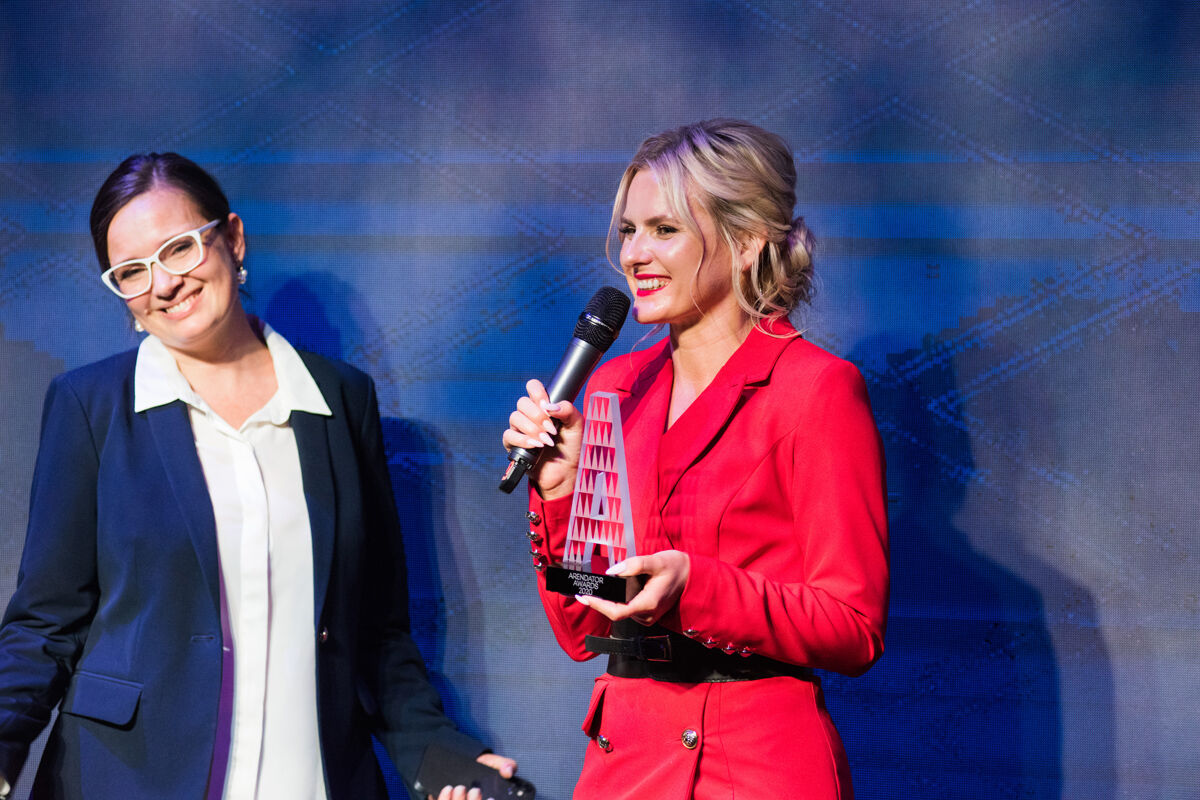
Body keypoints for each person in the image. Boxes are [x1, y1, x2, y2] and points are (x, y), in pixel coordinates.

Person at [0, 153, 515, 800]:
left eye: (179, 249)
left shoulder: (340, 399)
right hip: (124, 778)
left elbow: (376, 633)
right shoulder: (90, 406)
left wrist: (438, 758)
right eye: (132, 271)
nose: (164, 284)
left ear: (233, 238)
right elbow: (44, 625)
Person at [503, 119, 888, 799]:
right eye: (629, 231)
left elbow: (853, 628)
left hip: (754, 766)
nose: (634, 255)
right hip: (624, 762)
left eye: (664, 229)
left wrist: (696, 585)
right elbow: (584, 624)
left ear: (748, 242)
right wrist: (560, 492)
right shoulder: (614, 388)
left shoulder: (816, 389)